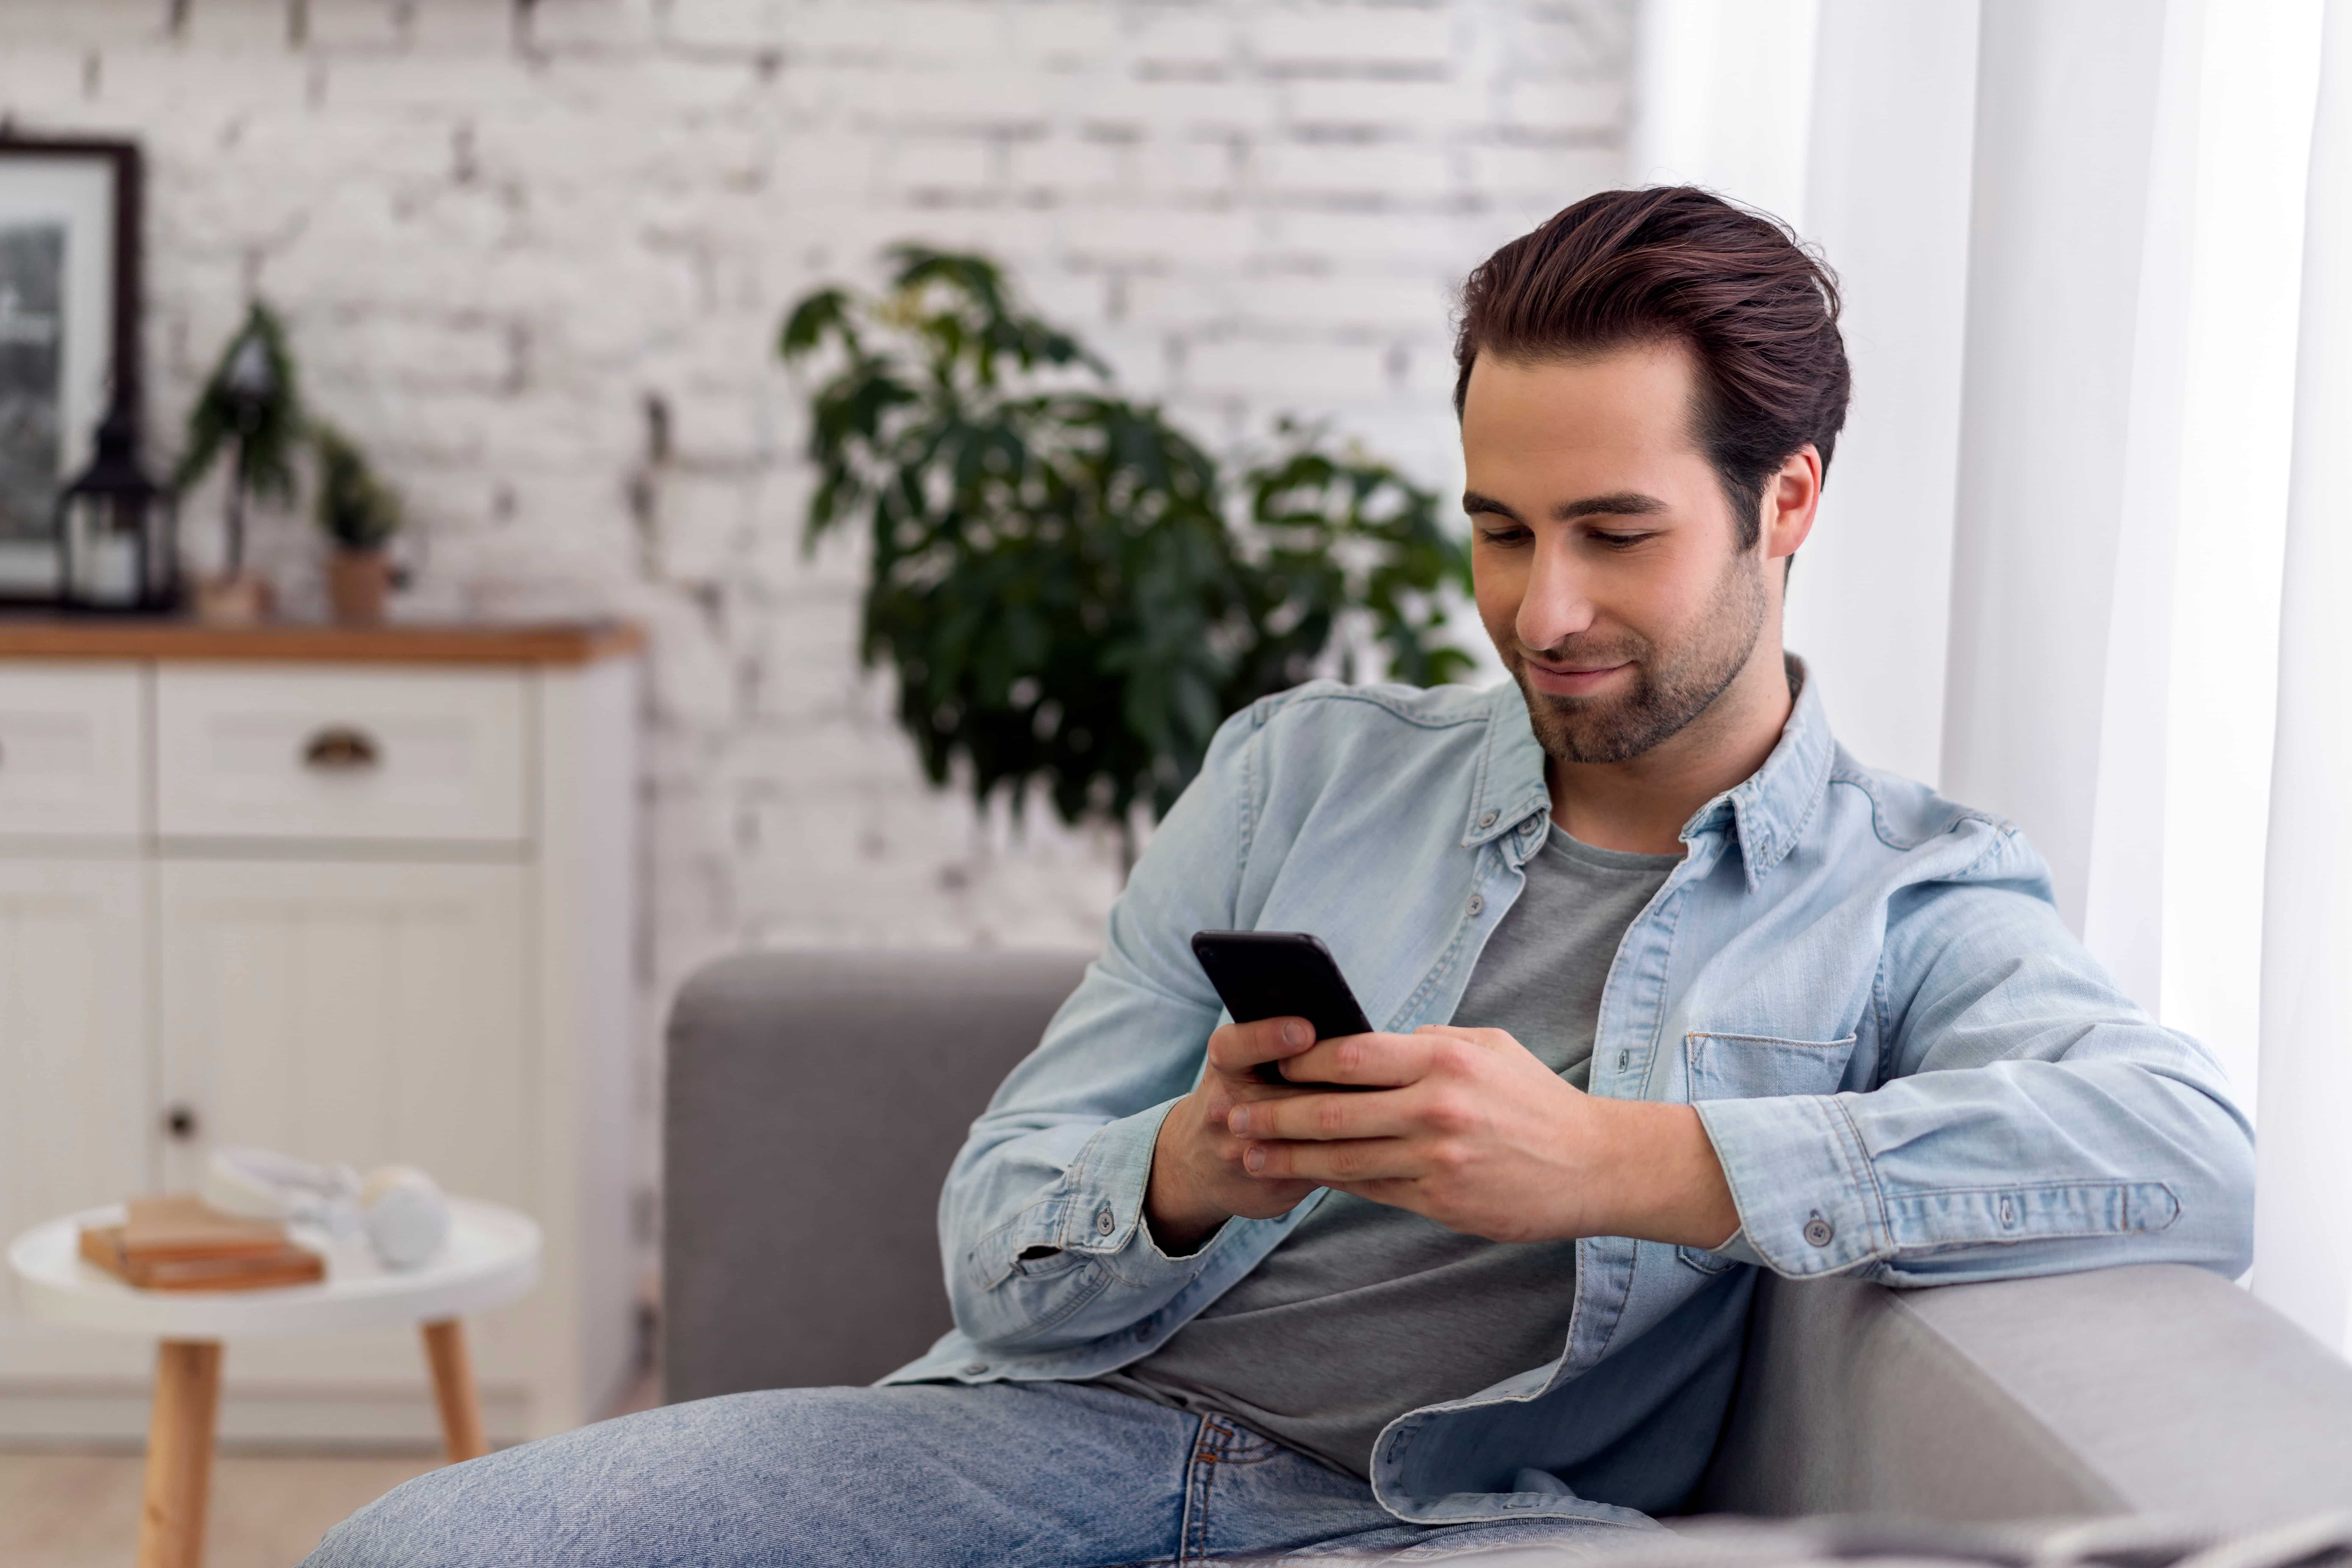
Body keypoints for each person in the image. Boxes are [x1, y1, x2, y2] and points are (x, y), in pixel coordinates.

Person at [308, 187, 2253, 1567]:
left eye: (1615, 533)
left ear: (1791, 501)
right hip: (1046, 1436)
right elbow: (997, 1217)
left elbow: (2185, 1150)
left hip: (1447, 1518)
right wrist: (1182, 1169)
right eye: (1498, 530)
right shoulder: (1301, 771)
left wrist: (1622, 1162)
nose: (1541, 610)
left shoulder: (1915, 891)